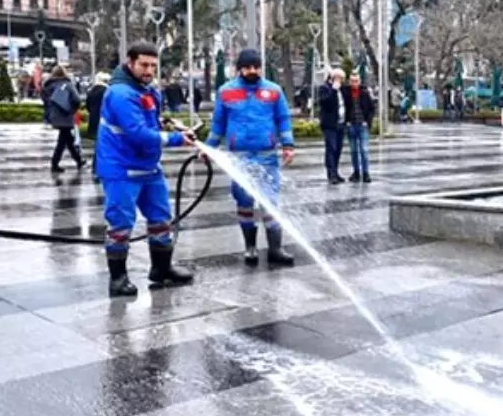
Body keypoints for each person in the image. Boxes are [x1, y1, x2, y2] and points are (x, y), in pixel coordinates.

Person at [95, 41, 196, 298]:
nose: (149, 70)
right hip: (121, 168)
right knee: (120, 223)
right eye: (144, 65)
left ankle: (161, 269)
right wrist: (175, 140)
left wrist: (173, 127)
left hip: (149, 167)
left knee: (161, 219)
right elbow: (138, 133)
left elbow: (151, 121)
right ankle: (118, 280)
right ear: (130, 63)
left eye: (153, 65)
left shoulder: (148, 91)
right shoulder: (120, 94)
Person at [205, 49, 296, 268]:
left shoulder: (273, 91)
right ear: (239, 69)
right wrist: (209, 148)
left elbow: (283, 119)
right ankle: (250, 247)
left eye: (256, 67)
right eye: (248, 67)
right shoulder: (226, 92)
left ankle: (275, 248)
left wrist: (288, 145)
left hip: (267, 156)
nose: (252, 71)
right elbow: (218, 124)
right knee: (245, 202)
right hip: (240, 158)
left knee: (270, 203)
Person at [42, 65, 85, 173]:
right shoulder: (67, 84)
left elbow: (45, 100)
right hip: (65, 116)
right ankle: (54, 163)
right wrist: (72, 110)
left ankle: (78, 160)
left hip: (53, 115)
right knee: (62, 141)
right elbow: (77, 99)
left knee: (68, 139)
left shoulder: (48, 85)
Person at [345, 70, 375, 183]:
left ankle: (366, 173)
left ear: (359, 81)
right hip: (351, 125)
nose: (354, 83)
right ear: (349, 81)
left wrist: (367, 121)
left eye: (356, 81)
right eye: (352, 81)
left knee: (364, 150)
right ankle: (356, 173)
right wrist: (347, 121)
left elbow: (372, 108)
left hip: (362, 125)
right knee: (353, 151)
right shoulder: (346, 93)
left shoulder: (365, 93)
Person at [318, 68, 347, 183]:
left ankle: (336, 170)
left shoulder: (342, 90)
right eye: (338, 78)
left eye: (341, 79)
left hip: (341, 122)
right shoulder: (325, 88)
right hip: (330, 124)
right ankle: (331, 173)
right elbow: (325, 103)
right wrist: (334, 90)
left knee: (338, 149)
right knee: (331, 148)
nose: (340, 80)